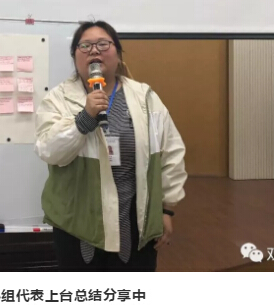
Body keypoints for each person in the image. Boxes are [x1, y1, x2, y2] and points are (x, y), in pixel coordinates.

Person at [35, 21, 187, 271]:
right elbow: (48, 150)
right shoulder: (58, 99)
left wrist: (167, 210)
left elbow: (170, 153)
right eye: (85, 46)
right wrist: (84, 119)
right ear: (75, 56)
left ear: (118, 53)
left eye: (103, 44)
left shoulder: (145, 97)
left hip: (135, 220)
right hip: (77, 223)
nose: (94, 51)